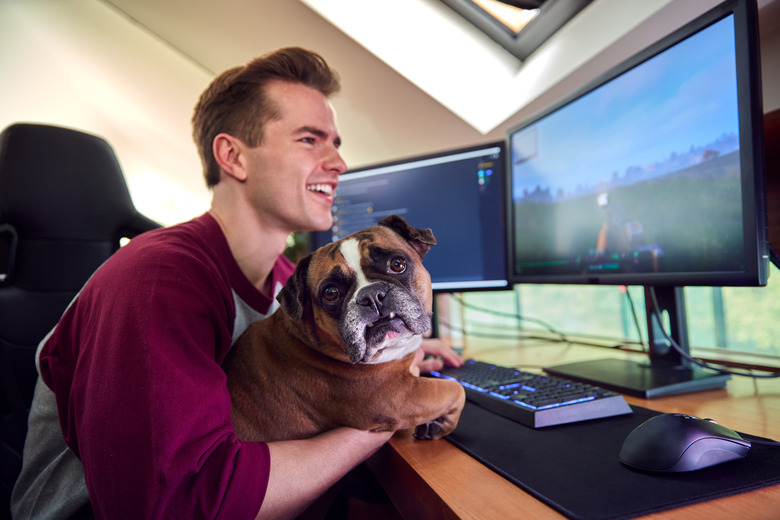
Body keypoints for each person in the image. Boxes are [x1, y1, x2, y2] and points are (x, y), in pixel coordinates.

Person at [11, 47, 462, 519]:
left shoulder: (292, 287)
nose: (338, 163)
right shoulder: (156, 280)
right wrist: (383, 408)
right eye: (310, 140)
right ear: (233, 156)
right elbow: (179, 503)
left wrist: (391, 356)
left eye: (335, 142)